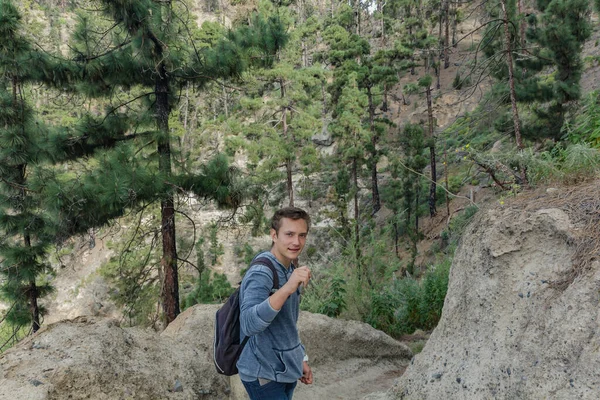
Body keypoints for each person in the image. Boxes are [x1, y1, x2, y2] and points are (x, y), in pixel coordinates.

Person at [237, 207, 314, 400]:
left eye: (302, 235)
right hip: (262, 373)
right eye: (289, 234)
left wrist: (300, 358)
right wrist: (287, 287)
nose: (296, 242)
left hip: (284, 369)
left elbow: (287, 324)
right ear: (274, 235)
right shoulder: (262, 272)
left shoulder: (289, 267)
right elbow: (248, 323)